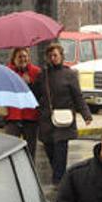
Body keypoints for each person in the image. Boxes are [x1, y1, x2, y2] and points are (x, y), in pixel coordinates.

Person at [35, 43, 93, 184]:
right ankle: (58, 175)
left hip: (64, 120)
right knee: (50, 150)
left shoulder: (69, 74)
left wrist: (86, 115)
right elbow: (36, 95)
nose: (53, 58)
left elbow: (77, 96)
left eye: (55, 55)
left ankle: (58, 180)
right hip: (47, 120)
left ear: (61, 56)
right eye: (50, 56)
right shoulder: (43, 75)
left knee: (61, 150)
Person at [5, 47, 41, 157]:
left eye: (25, 56)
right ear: (14, 58)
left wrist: (30, 83)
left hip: (30, 116)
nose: (23, 59)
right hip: (13, 116)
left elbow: (40, 94)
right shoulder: (7, 71)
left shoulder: (36, 72)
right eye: (20, 56)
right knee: (11, 148)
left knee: (30, 149)